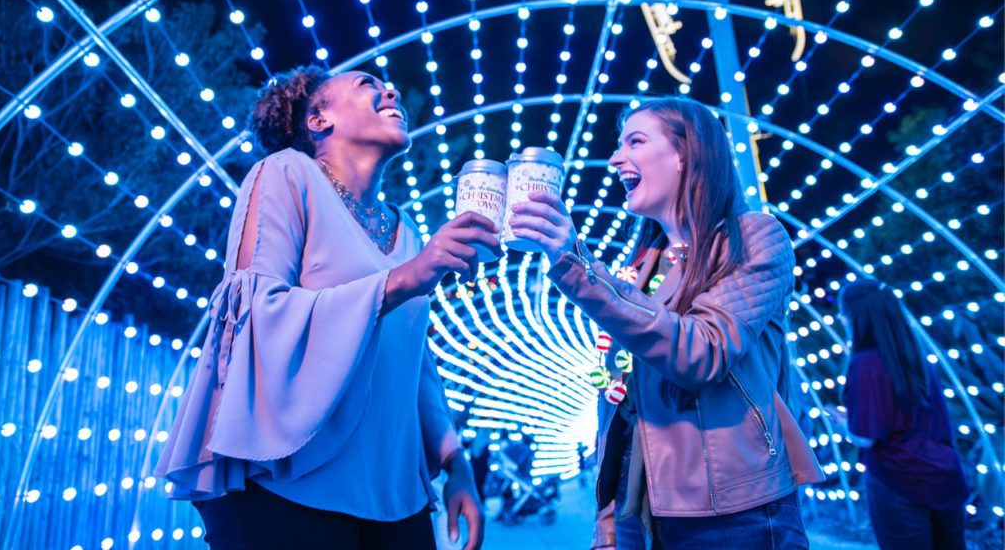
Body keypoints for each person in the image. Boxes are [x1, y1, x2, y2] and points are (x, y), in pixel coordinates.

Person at [155, 66, 494, 549]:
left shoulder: (411, 234)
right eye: (367, 86)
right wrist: (405, 278)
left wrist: (456, 465)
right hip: (290, 480)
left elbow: (414, 366)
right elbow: (256, 317)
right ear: (318, 120)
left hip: (396, 497)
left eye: (389, 84)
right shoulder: (285, 174)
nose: (391, 89)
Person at [508, 96, 823, 549]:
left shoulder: (754, 237)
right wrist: (610, 518)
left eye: (635, 141)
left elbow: (702, 353)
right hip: (642, 510)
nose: (616, 158)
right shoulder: (639, 269)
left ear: (685, 154)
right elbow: (620, 406)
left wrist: (577, 265)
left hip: (732, 514)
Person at [834, 279, 969, 550]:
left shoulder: (866, 364)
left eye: (843, 313)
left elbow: (866, 437)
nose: (841, 320)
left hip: (898, 480)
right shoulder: (917, 356)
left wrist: (840, 422)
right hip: (943, 474)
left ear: (856, 317)